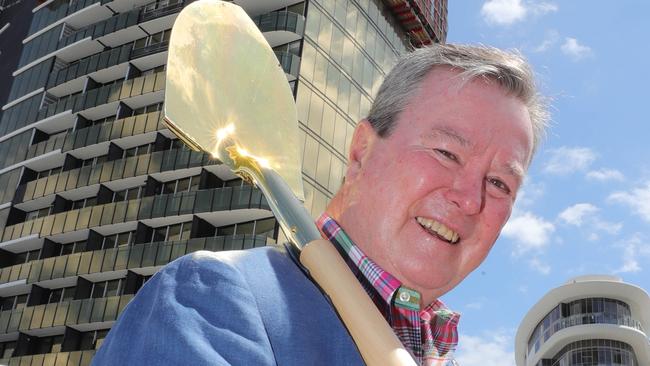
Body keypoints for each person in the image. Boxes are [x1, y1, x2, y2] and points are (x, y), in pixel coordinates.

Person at [92, 44, 548, 365]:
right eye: (446, 153)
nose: (469, 199)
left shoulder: (438, 351)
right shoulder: (216, 301)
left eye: (499, 184)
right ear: (362, 151)